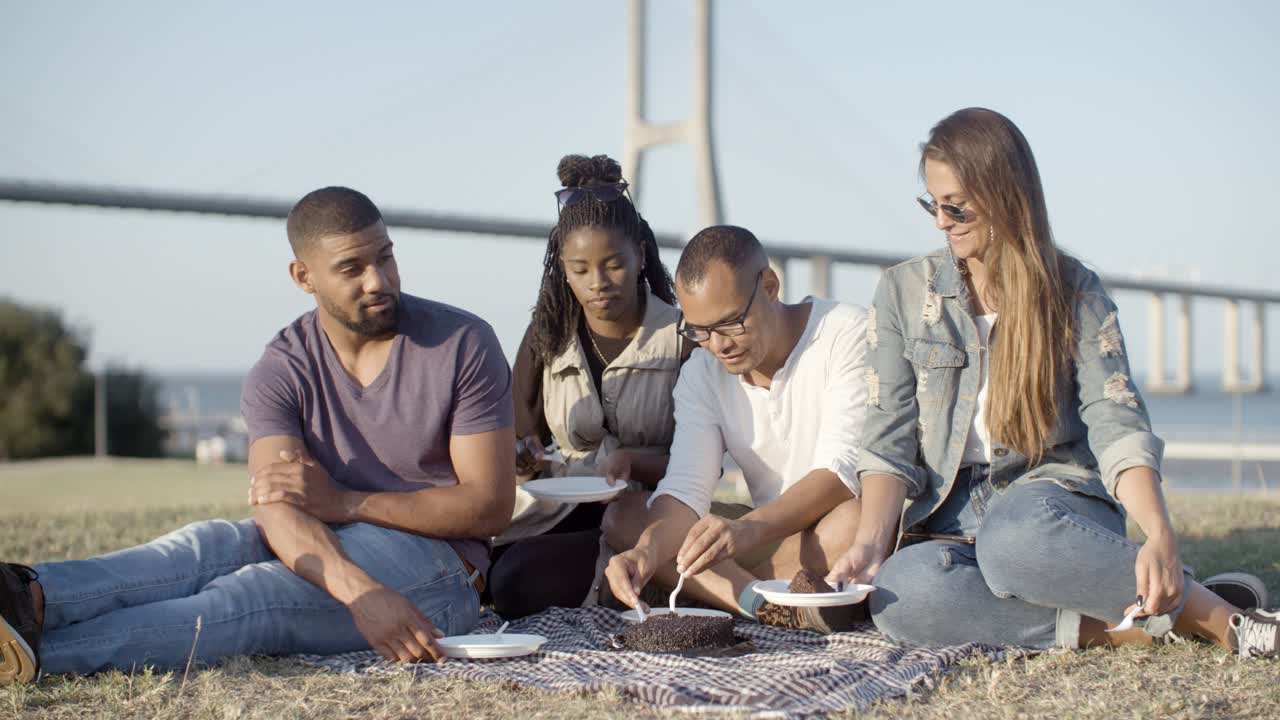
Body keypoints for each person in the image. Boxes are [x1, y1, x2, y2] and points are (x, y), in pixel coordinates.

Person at [0, 186, 516, 684]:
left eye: (385, 257)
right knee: (207, 546)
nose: (378, 280)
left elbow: (490, 507)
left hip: (444, 570)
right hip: (331, 539)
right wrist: (357, 588)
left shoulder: (461, 343)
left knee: (252, 597)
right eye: (351, 269)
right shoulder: (282, 366)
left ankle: (35, 657)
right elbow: (277, 505)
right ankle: (30, 595)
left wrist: (347, 503)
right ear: (303, 276)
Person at [827, 107, 1278, 659]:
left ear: (1004, 196)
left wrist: (1158, 531)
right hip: (947, 516)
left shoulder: (1074, 291)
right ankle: (1143, 625)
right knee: (905, 597)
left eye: (955, 206)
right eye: (932, 204)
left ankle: (1227, 620)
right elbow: (887, 438)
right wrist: (872, 544)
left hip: (1050, 499)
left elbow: (1116, 420)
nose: (940, 221)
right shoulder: (901, 291)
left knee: (1014, 543)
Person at [604, 225, 869, 633]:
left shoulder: (846, 332)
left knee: (855, 521)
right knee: (627, 518)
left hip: (823, 527)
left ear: (769, 285)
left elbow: (840, 473)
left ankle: (714, 588)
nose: (718, 345)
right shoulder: (703, 372)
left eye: (730, 323)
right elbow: (685, 489)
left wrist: (742, 532)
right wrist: (647, 552)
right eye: (700, 331)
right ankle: (763, 604)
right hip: (763, 535)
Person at [487, 154, 689, 618]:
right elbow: (522, 437)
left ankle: (648, 581)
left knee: (516, 584)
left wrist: (634, 462)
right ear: (562, 267)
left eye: (613, 264)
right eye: (579, 269)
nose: (597, 283)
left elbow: (704, 462)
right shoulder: (548, 336)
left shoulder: (682, 339)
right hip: (565, 509)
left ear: (640, 254)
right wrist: (522, 455)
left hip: (648, 514)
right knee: (488, 566)